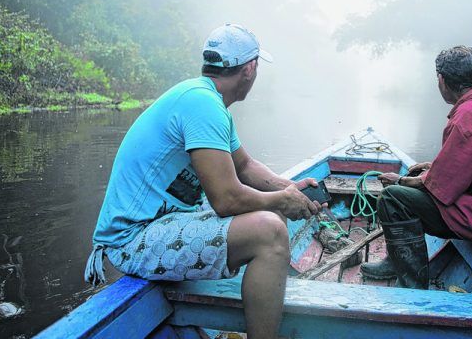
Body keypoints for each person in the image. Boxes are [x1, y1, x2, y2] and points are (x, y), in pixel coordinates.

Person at [84, 23, 323, 339]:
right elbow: (227, 200)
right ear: (250, 69)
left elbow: (246, 166)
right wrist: (280, 202)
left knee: (268, 214)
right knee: (271, 231)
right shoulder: (202, 105)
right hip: (130, 241)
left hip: (158, 227)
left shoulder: (205, 101)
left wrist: (287, 189)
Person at [360, 45, 472, 289]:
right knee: (414, 186)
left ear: (442, 80)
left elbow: (440, 188)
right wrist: (431, 167)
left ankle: (412, 284)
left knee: (393, 199)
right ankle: (395, 260)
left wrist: (400, 181)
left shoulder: (467, 116)